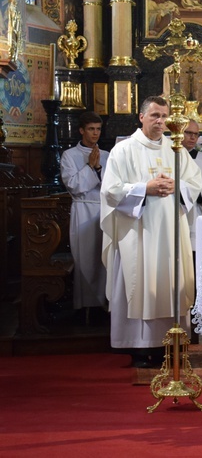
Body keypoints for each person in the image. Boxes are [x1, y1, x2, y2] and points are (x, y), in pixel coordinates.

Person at [100, 96, 202, 368]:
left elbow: (194, 181)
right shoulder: (123, 150)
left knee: (169, 281)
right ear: (141, 117)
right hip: (138, 232)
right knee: (139, 280)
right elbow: (110, 191)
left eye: (165, 116)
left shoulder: (176, 148)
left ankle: (170, 345)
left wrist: (176, 187)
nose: (161, 121)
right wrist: (145, 189)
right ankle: (138, 347)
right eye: (155, 115)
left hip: (170, 230)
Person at [60, 112, 109, 323]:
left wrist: (98, 168)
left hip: (104, 210)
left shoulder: (107, 155)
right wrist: (89, 166)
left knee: (103, 259)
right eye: (91, 129)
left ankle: (103, 306)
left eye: (98, 129)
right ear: (81, 130)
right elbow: (74, 186)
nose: (95, 133)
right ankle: (84, 308)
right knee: (85, 259)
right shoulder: (69, 155)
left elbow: (111, 186)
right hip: (82, 209)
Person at [182, 120, 202, 249]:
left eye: (196, 134)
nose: (193, 137)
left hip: (198, 210)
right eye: (188, 133)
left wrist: (200, 193)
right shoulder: (169, 156)